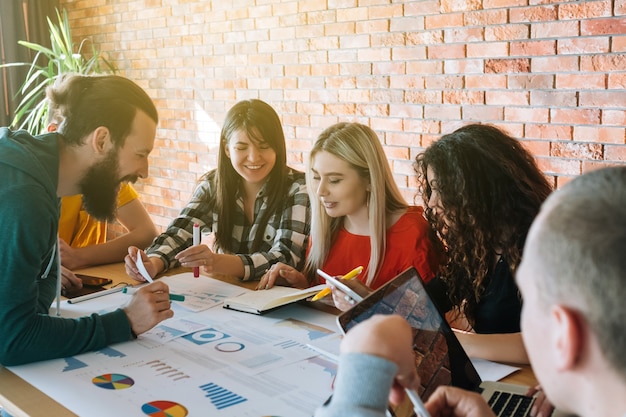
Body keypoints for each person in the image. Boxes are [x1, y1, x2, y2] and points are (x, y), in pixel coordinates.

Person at [316, 166, 626, 417]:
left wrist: (364, 362)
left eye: (531, 301)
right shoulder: (476, 254)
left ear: (564, 336)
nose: (432, 203)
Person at [0, 73, 174, 366]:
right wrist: (126, 321)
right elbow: (13, 340)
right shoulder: (25, 196)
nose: (144, 171)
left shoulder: (43, 173)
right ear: (102, 140)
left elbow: (37, 297)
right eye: (140, 154)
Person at [124, 99, 310, 283]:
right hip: (226, 297)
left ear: (277, 147)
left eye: (264, 146)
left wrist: (219, 262)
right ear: (227, 149)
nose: (253, 157)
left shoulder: (298, 188)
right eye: (241, 147)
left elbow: (286, 258)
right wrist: (154, 263)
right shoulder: (213, 184)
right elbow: (180, 232)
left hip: (277, 301)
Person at [259, 122, 439, 309]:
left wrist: (369, 305)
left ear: (369, 179)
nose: (320, 191)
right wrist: (301, 286)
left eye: (335, 180)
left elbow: (428, 323)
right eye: (316, 177)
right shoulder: (327, 226)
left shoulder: (411, 234)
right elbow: (327, 302)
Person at [414, 124, 553, 364]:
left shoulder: (543, 245)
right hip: (499, 376)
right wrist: (373, 299)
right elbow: (435, 295)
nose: (434, 202)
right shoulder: (479, 242)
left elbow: (549, 342)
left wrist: (454, 342)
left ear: (481, 188)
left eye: (441, 189)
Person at [46, 103, 158, 293]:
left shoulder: (102, 177)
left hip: (86, 284)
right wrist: (41, 272)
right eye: (139, 154)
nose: (144, 172)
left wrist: (78, 256)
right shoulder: (25, 186)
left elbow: (147, 232)